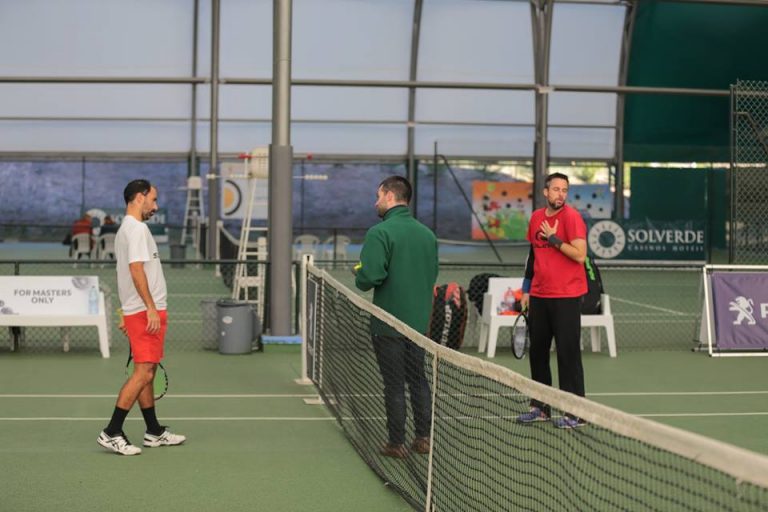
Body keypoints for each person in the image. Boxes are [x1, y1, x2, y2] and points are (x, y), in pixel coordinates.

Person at [97, 179, 185, 455]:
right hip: (147, 312)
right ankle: (111, 431)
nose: (155, 206)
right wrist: (148, 308)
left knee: (149, 372)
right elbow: (135, 270)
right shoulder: (135, 230)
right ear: (138, 198)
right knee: (143, 372)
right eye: (153, 200)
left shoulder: (129, 229)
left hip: (141, 310)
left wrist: (127, 310)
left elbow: (124, 272)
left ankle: (154, 431)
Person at [354, 176, 439, 459]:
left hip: (388, 324)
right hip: (419, 325)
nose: (375, 202)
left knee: (394, 384)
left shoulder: (379, 233)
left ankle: (396, 443)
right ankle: (424, 438)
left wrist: (360, 272)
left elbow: (371, 277)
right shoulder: (428, 235)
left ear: (390, 197)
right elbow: (430, 275)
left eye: (378, 196)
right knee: (418, 380)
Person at [517, 172, 588, 429]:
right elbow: (533, 255)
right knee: (537, 354)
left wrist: (554, 239)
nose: (560, 194)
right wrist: (526, 289)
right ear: (545, 192)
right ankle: (540, 407)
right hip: (539, 295)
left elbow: (580, 255)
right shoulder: (536, 217)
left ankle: (576, 413)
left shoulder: (572, 218)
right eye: (556, 189)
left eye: (564, 190)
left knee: (568, 356)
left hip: (566, 297)